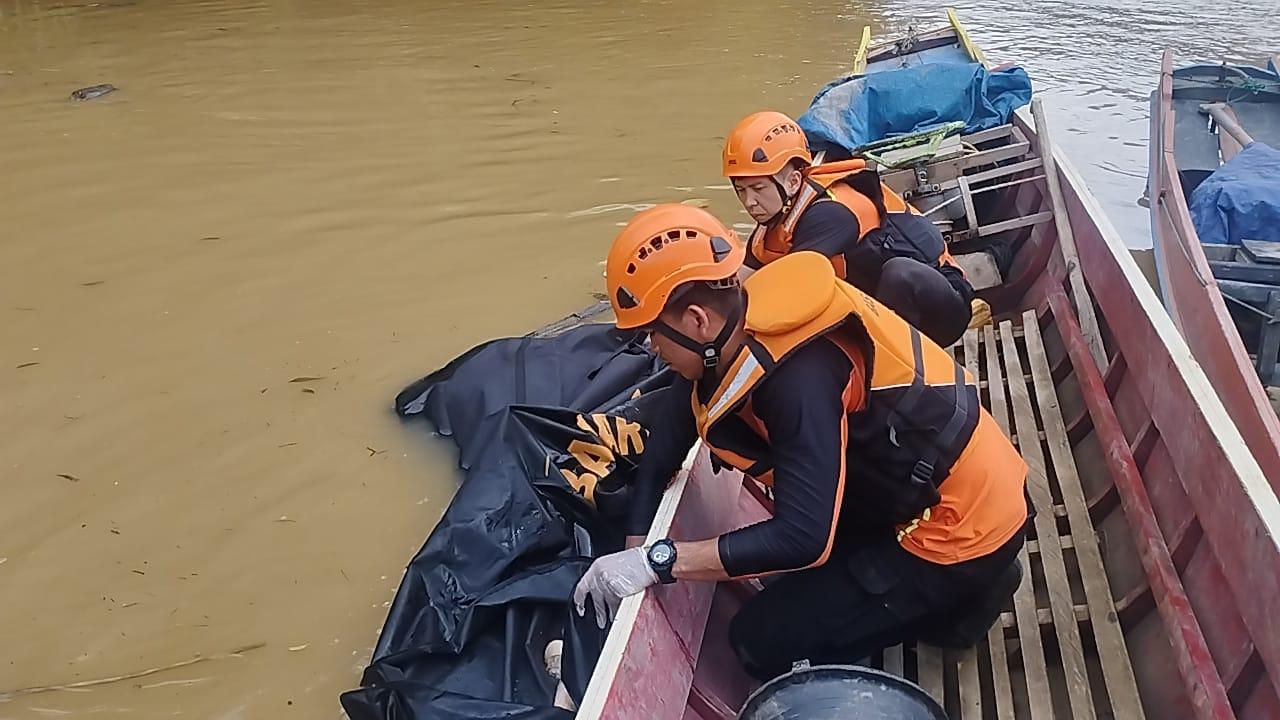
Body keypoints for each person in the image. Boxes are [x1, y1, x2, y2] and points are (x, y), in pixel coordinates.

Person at [573, 204, 1028, 681]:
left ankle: (968, 597)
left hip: (956, 524)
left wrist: (660, 561)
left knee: (758, 642)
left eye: (651, 333)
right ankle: (961, 586)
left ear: (695, 319)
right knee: (784, 574)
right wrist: (633, 553)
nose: (650, 349)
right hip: (909, 484)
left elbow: (802, 539)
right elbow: (660, 458)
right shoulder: (727, 341)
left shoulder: (798, 377)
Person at [722, 110, 975, 347]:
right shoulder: (774, 221)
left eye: (758, 189)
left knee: (899, 274)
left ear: (793, 181)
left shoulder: (830, 214)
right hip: (879, 302)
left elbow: (792, 292)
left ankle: (898, 369)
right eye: (741, 190)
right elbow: (741, 282)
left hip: (940, 307)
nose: (749, 202)